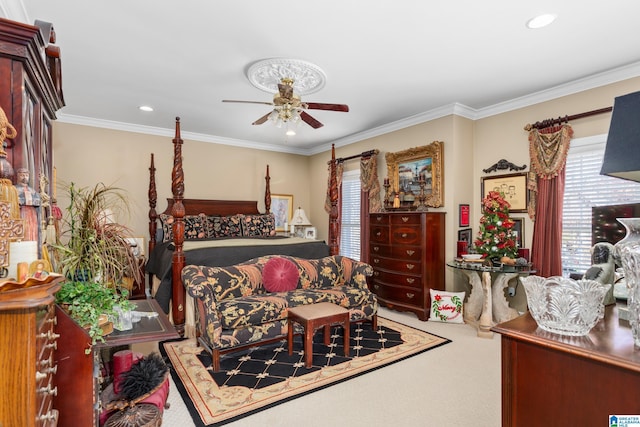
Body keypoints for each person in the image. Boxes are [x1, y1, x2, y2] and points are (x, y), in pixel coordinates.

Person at [15, 168, 41, 242]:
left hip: (31, 214)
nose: (24, 177)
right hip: (20, 213)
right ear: (18, 176)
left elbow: (38, 201)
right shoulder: (14, 189)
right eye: (22, 175)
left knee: (31, 230)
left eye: (26, 175)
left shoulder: (32, 190)